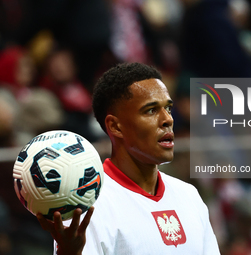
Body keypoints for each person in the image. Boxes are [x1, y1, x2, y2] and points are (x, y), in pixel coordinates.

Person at [36, 62, 220, 255]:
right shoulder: (87, 205)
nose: (168, 119)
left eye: (168, 108)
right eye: (151, 110)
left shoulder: (189, 196)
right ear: (115, 126)